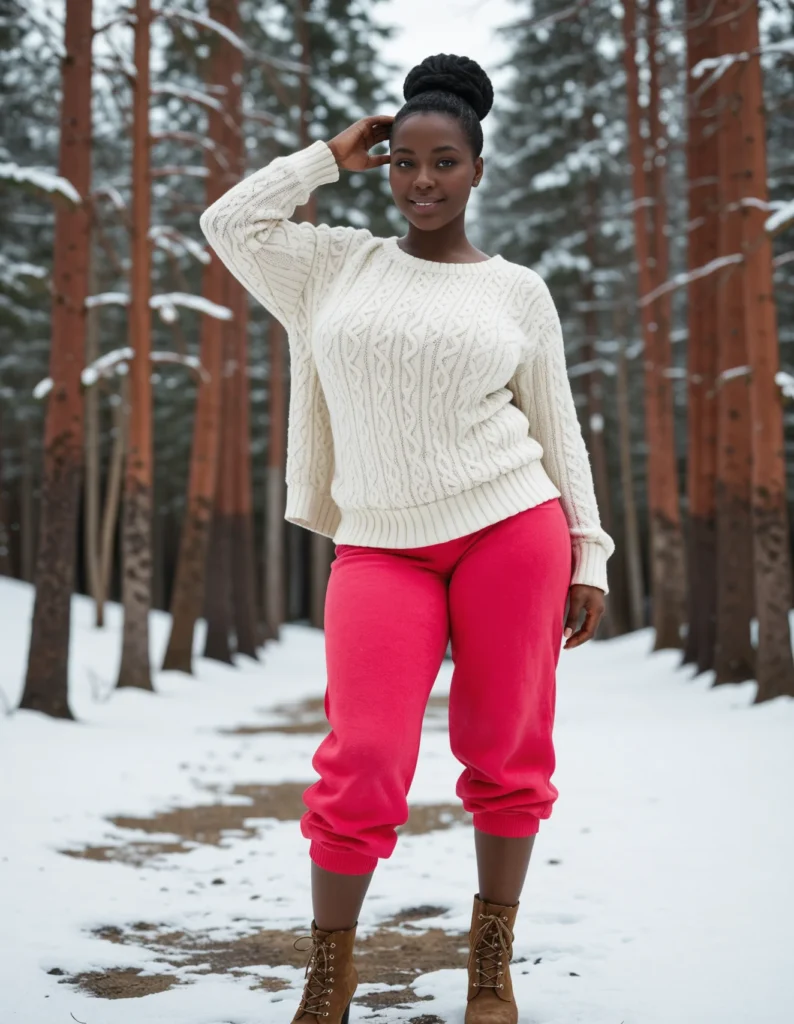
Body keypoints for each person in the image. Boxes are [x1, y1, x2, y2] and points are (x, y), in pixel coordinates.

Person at [201, 52, 613, 1024]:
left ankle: (488, 964)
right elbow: (230, 223)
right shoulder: (333, 264)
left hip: (511, 527)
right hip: (380, 544)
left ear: (477, 170)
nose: (422, 181)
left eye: (443, 162)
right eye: (404, 162)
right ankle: (329, 973)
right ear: (384, 166)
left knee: (506, 752)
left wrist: (586, 549)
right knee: (364, 758)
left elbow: (555, 426)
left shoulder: (516, 290)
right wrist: (323, 158)